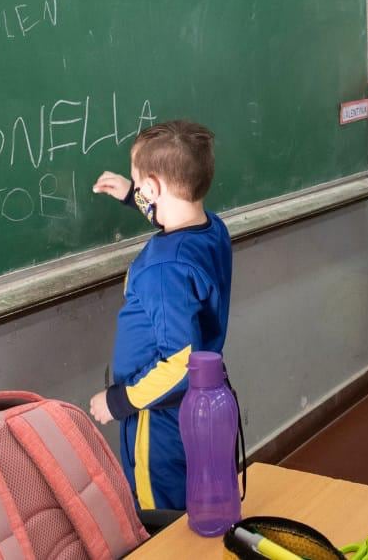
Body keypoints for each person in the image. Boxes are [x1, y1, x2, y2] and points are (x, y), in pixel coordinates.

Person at [88, 120, 233, 512]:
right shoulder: (212, 229)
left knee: (160, 513)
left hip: (156, 416)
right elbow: (175, 214)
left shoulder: (162, 270)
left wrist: (119, 402)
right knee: (190, 500)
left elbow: (179, 363)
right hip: (189, 407)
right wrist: (132, 195)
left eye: (141, 184)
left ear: (152, 187)